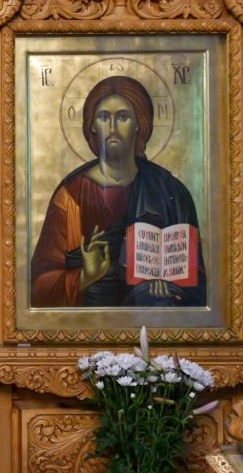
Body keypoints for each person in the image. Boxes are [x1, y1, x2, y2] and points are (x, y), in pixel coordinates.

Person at [31, 75, 206, 308]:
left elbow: (198, 285)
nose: (112, 128)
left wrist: (171, 286)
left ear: (138, 123)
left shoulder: (171, 192)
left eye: (123, 117)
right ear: (92, 125)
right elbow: (39, 288)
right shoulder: (70, 197)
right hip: (89, 321)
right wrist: (85, 276)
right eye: (104, 117)